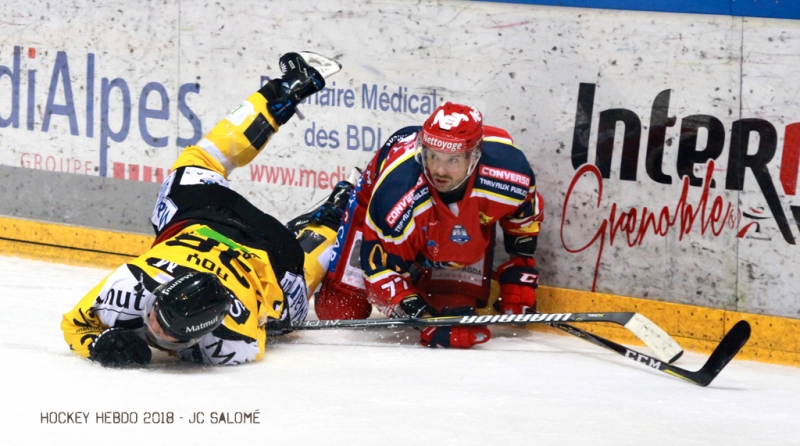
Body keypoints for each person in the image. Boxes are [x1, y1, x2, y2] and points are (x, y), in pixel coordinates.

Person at [61, 52, 345, 366]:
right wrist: (97, 343)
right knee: (200, 162)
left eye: (163, 331)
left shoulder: (233, 341)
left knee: (289, 309)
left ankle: (333, 219)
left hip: (258, 241)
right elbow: (75, 325)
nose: (151, 329)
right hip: (222, 221)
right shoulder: (130, 285)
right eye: (157, 317)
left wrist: (97, 345)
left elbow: (74, 326)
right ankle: (284, 95)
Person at [314, 102, 544, 349]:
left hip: (445, 229)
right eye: (433, 156)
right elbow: (379, 270)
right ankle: (340, 208)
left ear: (473, 157)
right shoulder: (397, 194)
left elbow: (524, 213)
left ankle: (418, 266)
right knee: (340, 313)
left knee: (453, 307)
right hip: (374, 203)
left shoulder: (510, 174)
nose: (440, 170)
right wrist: (424, 319)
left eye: (452, 159)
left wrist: (520, 269)